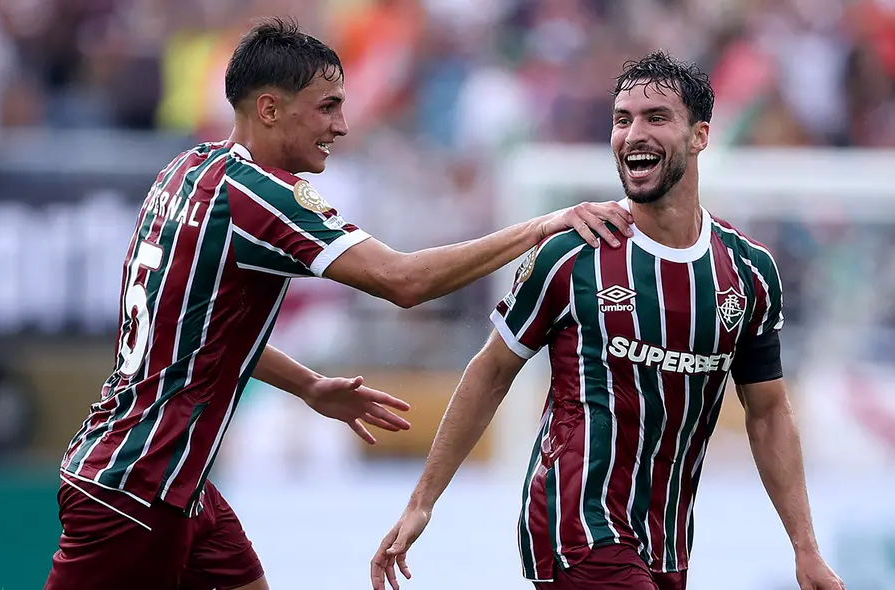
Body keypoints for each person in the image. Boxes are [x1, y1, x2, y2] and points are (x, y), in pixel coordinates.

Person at [44, 17, 633, 590]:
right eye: (328, 106)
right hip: (140, 486)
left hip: (170, 475)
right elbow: (404, 282)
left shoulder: (187, 171)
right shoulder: (260, 198)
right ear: (271, 109)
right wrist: (542, 226)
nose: (343, 125)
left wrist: (308, 385)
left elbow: (192, 329)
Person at [371, 50, 846, 590]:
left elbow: (767, 414)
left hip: (666, 543)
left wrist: (805, 547)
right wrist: (421, 504)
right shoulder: (574, 254)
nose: (633, 134)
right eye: (622, 120)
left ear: (700, 136)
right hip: (576, 525)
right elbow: (491, 372)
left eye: (655, 118)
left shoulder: (748, 272)